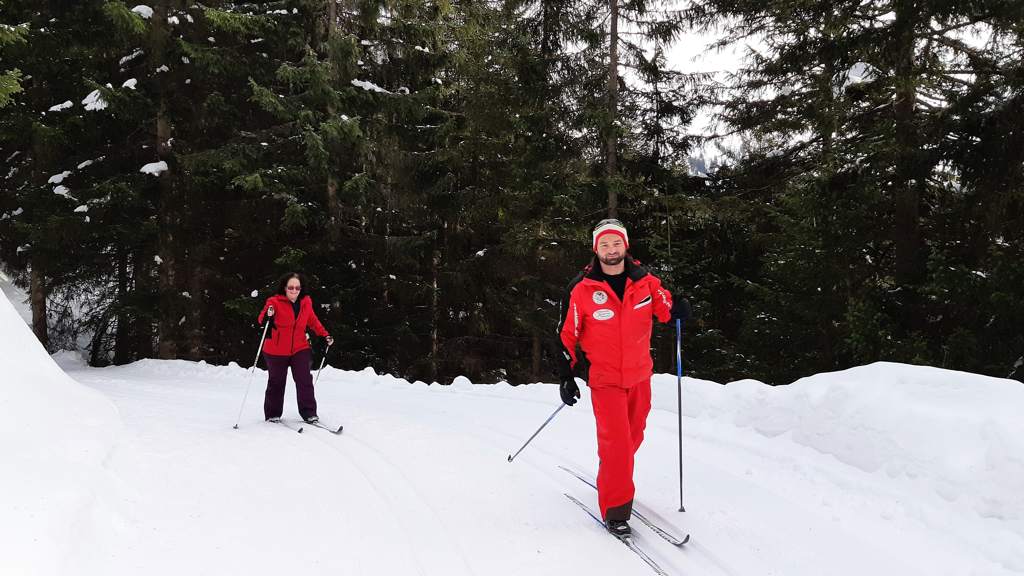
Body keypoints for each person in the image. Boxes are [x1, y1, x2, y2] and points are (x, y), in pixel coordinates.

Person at [555, 219, 690, 537]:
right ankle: (616, 510)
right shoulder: (582, 289)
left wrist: (679, 309)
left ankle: (611, 474)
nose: (611, 250)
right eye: (604, 244)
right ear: (595, 249)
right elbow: (566, 336)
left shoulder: (645, 282)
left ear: (625, 246)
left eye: (616, 243)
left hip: (640, 376)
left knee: (632, 437)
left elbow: (666, 307)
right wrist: (566, 376)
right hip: (605, 380)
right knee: (617, 446)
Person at [257, 272, 333, 424]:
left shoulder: (306, 302)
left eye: (297, 287)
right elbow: (262, 319)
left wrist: (325, 335)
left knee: (304, 379)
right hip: (276, 350)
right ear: (284, 288)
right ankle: (273, 414)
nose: (294, 290)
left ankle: (309, 413)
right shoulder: (274, 302)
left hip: (299, 347)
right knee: (277, 381)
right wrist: (268, 315)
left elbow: (312, 320)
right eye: (291, 287)